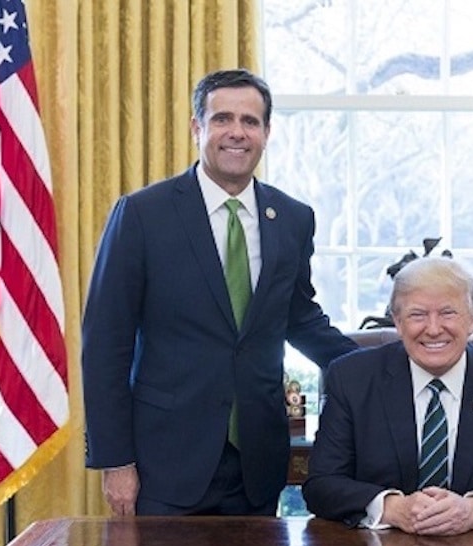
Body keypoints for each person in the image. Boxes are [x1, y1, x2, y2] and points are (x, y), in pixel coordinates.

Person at [82, 68, 357, 517]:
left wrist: (378, 369)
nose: (237, 133)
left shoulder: (291, 218)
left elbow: (300, 318)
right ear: (197, 128)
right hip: (165, 466)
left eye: (250, 122)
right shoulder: (142, 215)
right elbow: (105, 345)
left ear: (267, 132)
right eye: (222, 119)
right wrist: (116, 461)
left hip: (257, 464)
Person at [303, 257, 473, 534]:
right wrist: (393, 508)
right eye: (417, 315)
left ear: (472, 319)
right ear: (398, 321)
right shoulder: (352, 378)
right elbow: (322, 485)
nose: (433, 329)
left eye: (448, 313)